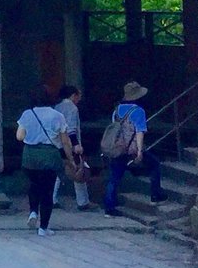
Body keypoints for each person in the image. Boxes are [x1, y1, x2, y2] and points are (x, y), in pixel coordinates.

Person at [101, 81, 166, 216]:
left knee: (114, 177)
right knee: (154, 165)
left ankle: (109, 207)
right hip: (132, 147)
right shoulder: (138, 111)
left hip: (118, 148)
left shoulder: (117, 110)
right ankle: (156, 195)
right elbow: (139, 132)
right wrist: (139, 151)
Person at [16, 99, 77, 236]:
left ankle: (33, 211)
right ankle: (43, 228)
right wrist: (70, 159)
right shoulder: (57, 116)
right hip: (49, 156)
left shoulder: (27, 114)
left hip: (29, 157)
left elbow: (19, 136)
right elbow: (65, 142)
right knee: (47, 192)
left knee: (34, 184)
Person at [51, 84, 91, 212]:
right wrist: (76, 145)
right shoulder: (72, 108)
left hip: (57, 143)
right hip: (70, 144)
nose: (79, 98)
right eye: (78, 95)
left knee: (57, 172)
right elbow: (71, 129)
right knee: (79, 170)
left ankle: (52, 198)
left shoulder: (57, 107)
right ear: (73, 95)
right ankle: (83, 201)